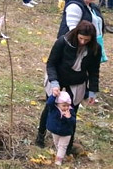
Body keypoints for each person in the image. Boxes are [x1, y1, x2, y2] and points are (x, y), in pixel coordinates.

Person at [36, 21, 101, 156]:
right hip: (58, 77)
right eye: (81, 38)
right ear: (77, 34)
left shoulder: (95, 49)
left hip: (77, 81)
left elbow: (94, 71)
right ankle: (40, 136)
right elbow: (51, 63)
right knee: (50, 108)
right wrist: (54, 83)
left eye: (86, 40)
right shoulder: (63, 42)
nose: (83, 42)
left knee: (72, 112)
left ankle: (68, 146)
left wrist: (93, 91)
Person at [45, 91, 76, 166]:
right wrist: (53, 96)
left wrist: (69, 118)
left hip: (66, 133)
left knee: (62, 146)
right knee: (57, 144)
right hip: (55, 131)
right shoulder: (54, 109)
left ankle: (58, 160)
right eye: (63, 105)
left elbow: (73, 122)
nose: (66, 107)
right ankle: (61, 155)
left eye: (67, 105)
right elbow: (49, 103)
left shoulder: (71, 111)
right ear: (58, 104)